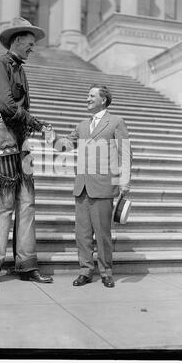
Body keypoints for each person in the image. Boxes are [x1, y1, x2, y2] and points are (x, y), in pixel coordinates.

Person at [0, 17, 53, 286]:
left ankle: (27, 265)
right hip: (5, 138)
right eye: (30, 44)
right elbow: (7, 105)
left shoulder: (21, 69)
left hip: (20, 140)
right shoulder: (1, 64)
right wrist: (36, 123)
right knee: (5, 204)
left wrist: (32, 125)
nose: (32, 48)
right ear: (17, 40)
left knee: (27, 203)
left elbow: (17, 108)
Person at [48, 85, 132, 287]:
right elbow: (66, 145)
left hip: (103, 186)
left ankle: (106, 272)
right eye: (87, 95)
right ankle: (85, 271)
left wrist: (124, 180)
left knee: (103, 233)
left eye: (91, 96)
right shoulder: (82, 125)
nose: (87, 99)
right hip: (82, 187)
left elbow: (125, 152)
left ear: (103, 100)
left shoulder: (116, 122)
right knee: (82, 233)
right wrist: (53, 138)